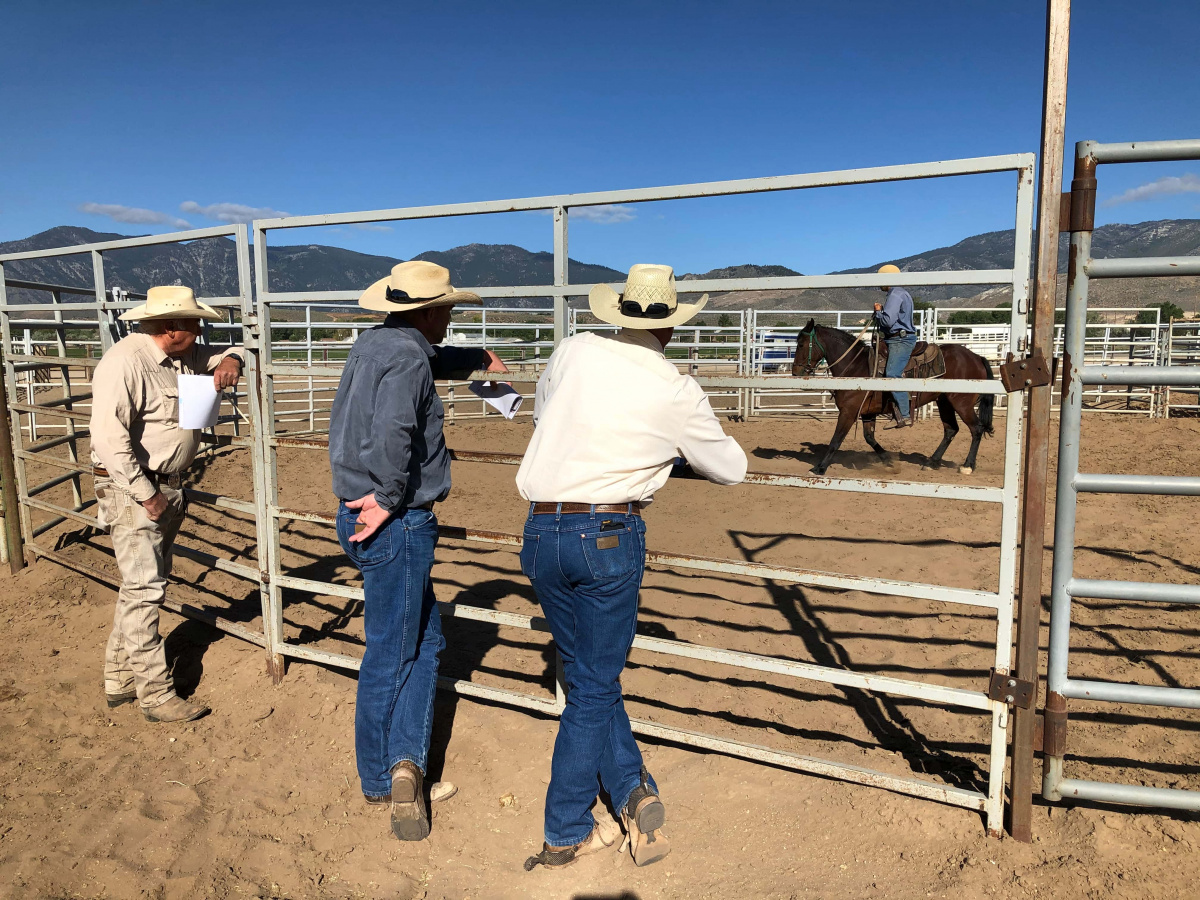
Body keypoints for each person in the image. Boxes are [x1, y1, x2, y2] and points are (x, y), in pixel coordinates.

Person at [515, 264, 748, 870]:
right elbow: (731, 467)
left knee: (587, 672)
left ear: (618, 313)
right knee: (594, 685)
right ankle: (565, 828)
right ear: (672, 324)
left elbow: (544, 414)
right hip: (606, 533)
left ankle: (630, 788)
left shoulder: (574, 350)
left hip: (541, 526)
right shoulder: (675, 387)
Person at [328, 260, 508, 842]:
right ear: (430, 311)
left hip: (360, 513)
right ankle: (383, 777)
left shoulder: (376, 343)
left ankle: (408, 764)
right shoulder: (408, 357)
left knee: (423, 640)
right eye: (448, 310)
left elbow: (428, 361)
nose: (451, 317)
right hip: (395, 521)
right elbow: (394, 430)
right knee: (392, 651)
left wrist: (475, 358)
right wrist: (386, 496)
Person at [91, 285, 244, 723]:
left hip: (164, 487)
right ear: (171, 327)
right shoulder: (125, 363)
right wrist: (148, 495)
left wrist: (232, 360)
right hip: (138, 491)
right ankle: (156, 695)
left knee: (139, 585)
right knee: (145, 590)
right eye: (194, 323)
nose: (200, 331)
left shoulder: (181, 357)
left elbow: (229, 353)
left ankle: (120, 678)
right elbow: (108, 438)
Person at [873, 263, 917, 427]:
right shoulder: (900, 293)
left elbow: (888, 320)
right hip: (897, 337)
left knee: (892, 374)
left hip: (900, 339)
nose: (879, 284)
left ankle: (904, 415)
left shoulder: (895, 294)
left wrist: (878, 312)